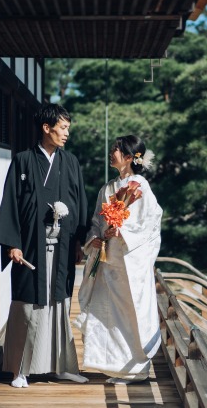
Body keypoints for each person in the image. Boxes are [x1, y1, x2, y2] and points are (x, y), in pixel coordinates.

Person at [0, 104, 89, 388]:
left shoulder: (69, 161)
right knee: (28, 304)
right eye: (63, 128)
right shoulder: (23, 160)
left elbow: (79, 201)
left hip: (61, 245)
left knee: (59, 303)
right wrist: (13, 243)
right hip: (30, 244)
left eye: (68, 128)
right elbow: (11, 201)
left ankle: (61, 365)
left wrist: (78, 240)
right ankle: (19, 369)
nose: (67, 134)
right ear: (46, 128)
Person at [74, 135, 163, 383]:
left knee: (128, 314)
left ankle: (135, 368)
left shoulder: (140, 186)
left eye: (116, 149)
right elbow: (95, 221)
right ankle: (113, 366)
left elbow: (151, 224)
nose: (111, 152)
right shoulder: (108, 187)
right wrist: (97, 236)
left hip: (128, 262)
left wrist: (121, 231)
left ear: (127, 157)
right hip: (107, 259)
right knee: (106, 314)